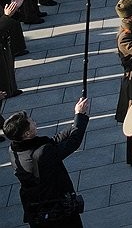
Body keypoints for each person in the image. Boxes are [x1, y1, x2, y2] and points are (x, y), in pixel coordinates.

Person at [5, 96, 90, 228]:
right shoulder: (42, 154)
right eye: (31, 122)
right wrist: (79, 115)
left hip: (36, 208)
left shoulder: (15, 149)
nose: (35, 122)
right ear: (27, 133)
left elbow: (54, 140)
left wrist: (76, 121)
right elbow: (73, 143)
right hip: (56, 209)